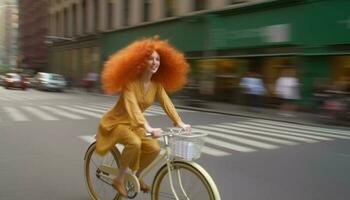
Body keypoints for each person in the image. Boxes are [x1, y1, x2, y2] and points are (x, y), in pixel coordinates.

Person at [95, 36, 191, 197]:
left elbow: (167, 103)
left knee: (154, 148)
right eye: (150, 59)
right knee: (134, 142)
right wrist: (148, 127)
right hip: (116, 123)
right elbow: (133, 108)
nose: (155, 62)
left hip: (135, 125)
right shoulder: (130, 83)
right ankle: (118, 179)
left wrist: (179, 122)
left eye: (158, 59)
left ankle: (136, 177)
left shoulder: (156, 85)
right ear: (141, 61)